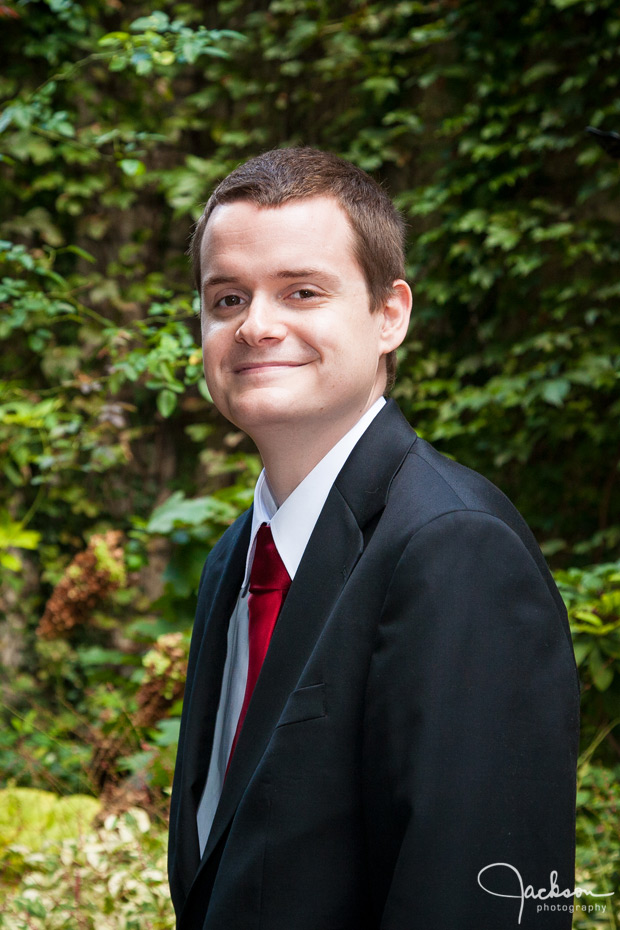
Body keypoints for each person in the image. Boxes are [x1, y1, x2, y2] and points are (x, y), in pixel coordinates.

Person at [168, 147, 579, 930]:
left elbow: (480, 901)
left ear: (390, 314)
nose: (256, 325)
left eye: (302, 291)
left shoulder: (456, 550)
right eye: (227, 298)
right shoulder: (235, 561)